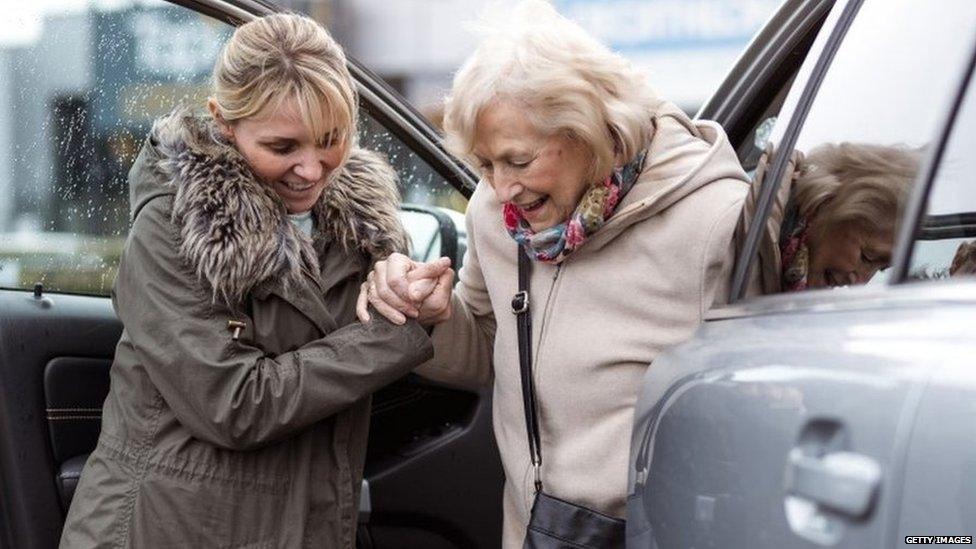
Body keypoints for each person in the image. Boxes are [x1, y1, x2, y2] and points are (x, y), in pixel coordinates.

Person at [357, 1, 750, 545]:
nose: (500, 189)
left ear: (592, 130)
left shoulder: (716, 222)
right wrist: (433, 318)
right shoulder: (497, 218)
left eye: (518, 162)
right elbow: (487, 353)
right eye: (486, 164)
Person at [59, 14, 432, 548]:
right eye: (282, 147)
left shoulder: (363, 228)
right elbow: (235, 406)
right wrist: (397, 330)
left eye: (331, 139)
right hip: (162, 530)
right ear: (224, 123)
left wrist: (414, 293)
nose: (311, 169)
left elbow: (376, 361)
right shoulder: (174, 224)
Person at [778, 142, 921, 291]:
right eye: (866, 257)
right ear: (828, 203)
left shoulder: (786, 274)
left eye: (881, 269)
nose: (860, 282)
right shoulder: (754, 226)